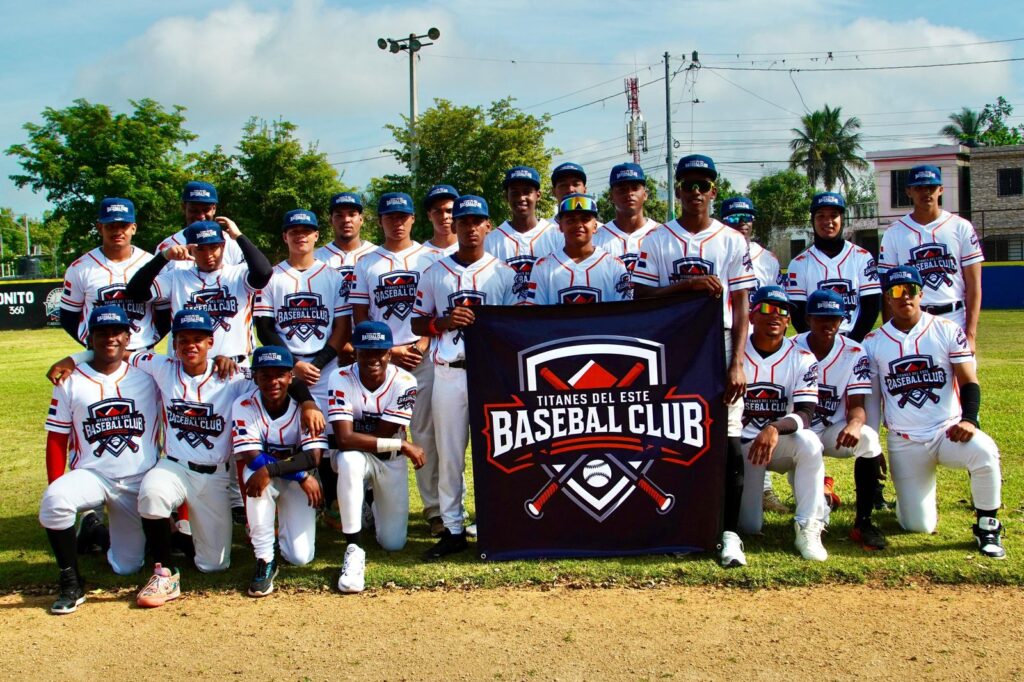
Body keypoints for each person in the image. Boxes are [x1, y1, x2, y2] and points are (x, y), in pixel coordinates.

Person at [632, 154, 755, 568]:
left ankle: (730, 533)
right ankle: (679, 524)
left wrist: (737, 361)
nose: (697, 192)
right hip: (673, 346)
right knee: (673, 435)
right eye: (689, 185)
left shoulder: (732, 240)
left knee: (729, 437)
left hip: (719, 343)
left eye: (704, 185)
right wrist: (687, 284)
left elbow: (742, 307)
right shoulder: (658, 240)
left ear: (713, 191)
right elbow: (640, 295)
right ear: (678, 190)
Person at [863, 266, 1004, 558]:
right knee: (918, 525)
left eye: (911, 290)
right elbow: (873, 400)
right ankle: (909, 499)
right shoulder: (873, 342)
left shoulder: (947, 329)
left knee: (985, 451)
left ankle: (987, 526)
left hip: (947, 431)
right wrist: (873, 445)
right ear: (887, 298)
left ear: (921, 293)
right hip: (905, 440)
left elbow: (969, 380)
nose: (905, 297)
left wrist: (969, 419)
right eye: (897, 292)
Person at [58, 196, 170, 552]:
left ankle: (162, 509)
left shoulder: (152, 264)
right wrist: (92, 351)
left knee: (151, 428)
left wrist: (147, 344)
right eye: (110, 225)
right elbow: (67, 317)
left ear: (133, 227)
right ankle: (90, 515)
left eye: (123, 225)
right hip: (100, 358)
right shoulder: (81, 267)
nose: (117, 231)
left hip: (143, 358)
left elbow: (164, 314)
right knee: (91, 428)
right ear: (100, 227)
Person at [412, 195, 518, 559]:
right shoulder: (435, 272)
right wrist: (441, 323)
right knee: (450, 454)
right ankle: (453, 528)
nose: (470, 228)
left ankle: (497, 522)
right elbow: (416, 320)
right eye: (463, 221)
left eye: (477, 221)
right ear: (452, 226)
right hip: (449, 372)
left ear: (488, 226)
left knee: (498, 450)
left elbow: (518, 326)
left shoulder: (504, 274)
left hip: (491, 374)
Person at [40, 306, 161, 614]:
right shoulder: (69, 380)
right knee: (55, 501)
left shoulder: (148, 375)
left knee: (127, 567)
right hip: (92, 476)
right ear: (89, 338)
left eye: (116, 332)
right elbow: (57, 438)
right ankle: (70, 579)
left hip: (136, 480)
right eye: (102, 333)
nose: (110, 338)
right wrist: (59, 485)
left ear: (127, 336)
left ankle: (95, 531)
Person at [349, 193, 442, 536]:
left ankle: (434, 510)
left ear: (413, 219)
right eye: (390, 216)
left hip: (423, 357)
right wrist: (387, 351)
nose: (397, 222)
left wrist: (423, 341)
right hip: (381, 362)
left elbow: (437, 311)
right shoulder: (367, 262)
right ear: (380, 221)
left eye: (402, 216)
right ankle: (373, 505)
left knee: (426, 435)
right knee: (380, 434)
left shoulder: (432, 257)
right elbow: (360, 316)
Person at [329, 322, 426, 591]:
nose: (373, 359)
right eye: (366, 352)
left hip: (389, 459)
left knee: (393, 543)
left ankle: (369, 503)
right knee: (349, 460)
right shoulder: (339, 377)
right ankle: (354, 547)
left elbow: (377, 431)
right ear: (356, 352)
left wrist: (356, 434)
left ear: (389, 353)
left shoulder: (406, 381)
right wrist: (405, 446)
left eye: (379, 352)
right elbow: (344, 440)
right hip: (374, 452)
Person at [738, 286, 828, 562]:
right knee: (749, 526)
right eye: (765, 308)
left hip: (776, 440)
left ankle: (808, 525)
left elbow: (805, 413)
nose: (774, 315)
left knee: (810, 442)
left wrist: (774, 428)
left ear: (788, 320)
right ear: (751, 316)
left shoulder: (802, 357)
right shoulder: (734, 351)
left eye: (781, 310)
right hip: (742, 445)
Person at [232, 346, 329, 597]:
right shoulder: (244, 404)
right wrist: (297, 474)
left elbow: (313, 456)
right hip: (286, 477)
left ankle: (285, 532)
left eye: (279, 375)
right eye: (265, 375)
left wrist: (274, 469)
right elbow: (251, 457)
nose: (272, 381)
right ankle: (264, 559)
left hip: (296, 479)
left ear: (290, 377)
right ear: (255, 377)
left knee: (300, 557)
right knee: (255, 478)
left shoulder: (308, 407)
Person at [794, 289, 887, 550]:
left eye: (834, 318)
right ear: (808, 318)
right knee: (818, 511)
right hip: (798, 436)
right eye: (822, 317)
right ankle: (824, 493)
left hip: (830, 430)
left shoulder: (854, 352)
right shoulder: (792, 347)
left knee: (868, 437)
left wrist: (856, 424)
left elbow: (856, 405)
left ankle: (864, 523)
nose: (829, 324)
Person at [720, 195, 788, 515]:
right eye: (734, 217)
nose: (741, 222)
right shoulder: (719, 247)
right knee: (732, 417)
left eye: (747, 217)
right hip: (726, 340)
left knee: (759, 410)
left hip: (757, 342)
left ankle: (764, 488)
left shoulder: (768, 259)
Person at [126, 219, 272, 363]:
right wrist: (163, 257)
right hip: (186, 368)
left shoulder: (239, 274)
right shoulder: (177, 277)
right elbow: (136, 292)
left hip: (234, 365)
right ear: (190, 249)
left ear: (223, 245)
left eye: (213, 247)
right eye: (200, 248)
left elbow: (264, 272)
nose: (208, 254)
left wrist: (239, 236)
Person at [254, 209, 351, 413]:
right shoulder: (272, 277)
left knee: (327, 431)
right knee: (286, 431)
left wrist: (317, 365)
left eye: (306, 231)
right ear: (285, 236)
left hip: (325, 366)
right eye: (294, 231)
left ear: (316, 235)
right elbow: (264, 329)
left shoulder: (334, 277)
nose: (300, 236)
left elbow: (342, 328)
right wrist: (294, 365)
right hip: (284, 365)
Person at [879, 165, 984, 352]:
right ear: (909, 191)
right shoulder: (894, 233)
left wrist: (971, 334)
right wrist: (890, 333)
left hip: (954, 315)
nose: (926, 192)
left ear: (941, 189)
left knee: (962, 380)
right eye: (919, 187)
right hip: (912, 319)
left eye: (931, 187)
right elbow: (887, 289)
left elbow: (974, 284)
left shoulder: (961, 227)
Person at [786, 192, 881, 342]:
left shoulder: (862, 256)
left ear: (842, 219)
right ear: (812, 220)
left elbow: (871, 307)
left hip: (853, 340)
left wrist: (851, 344)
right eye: (821, 216)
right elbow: (798, 314)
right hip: (816, 345)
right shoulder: (799, 263)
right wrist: (817, 345)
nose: (828, 221)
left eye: (833, 215)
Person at [524, 193, 630, 304]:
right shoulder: (543, 266)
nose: (578, 225)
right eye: (571, 220)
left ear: (595, 226)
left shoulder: (615, 265)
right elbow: (536, 317)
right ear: (560, 226)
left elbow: (623, 316)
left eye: (585, 219)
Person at [484, 166, 562, 301]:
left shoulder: (556, 235)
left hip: (547, 318)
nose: (521, 198)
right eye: (515, 193)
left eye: (527, 192)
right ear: (506, 196)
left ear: (538, 195)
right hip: (508, 318)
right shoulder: (491, 241)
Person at [155, 181, 244, 270]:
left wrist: (239, 236)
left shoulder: (230, 242)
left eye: (206, 210)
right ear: (183, 208)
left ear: (214, 209)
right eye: (194, 210)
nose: (201, 216)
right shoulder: (167, 246)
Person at [593, 163, 659, 278]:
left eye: (635, 188)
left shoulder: (661, 234)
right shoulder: (597, 238)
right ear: (611, 196)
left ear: (645, 194)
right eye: (622, 189)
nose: (629, 193)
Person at [313, 192, 377, 301]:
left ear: (361, 220)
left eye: (352, 214)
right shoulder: (317, 258)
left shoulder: (376, 254)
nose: (346, 220)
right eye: (339, 215)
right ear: (331, 221)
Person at [421, 184, 460, 258]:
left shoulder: (470, 250)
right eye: (438, 212)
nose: (444, 216)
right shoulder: (419, 254)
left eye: (449, 211)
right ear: (429, 216)